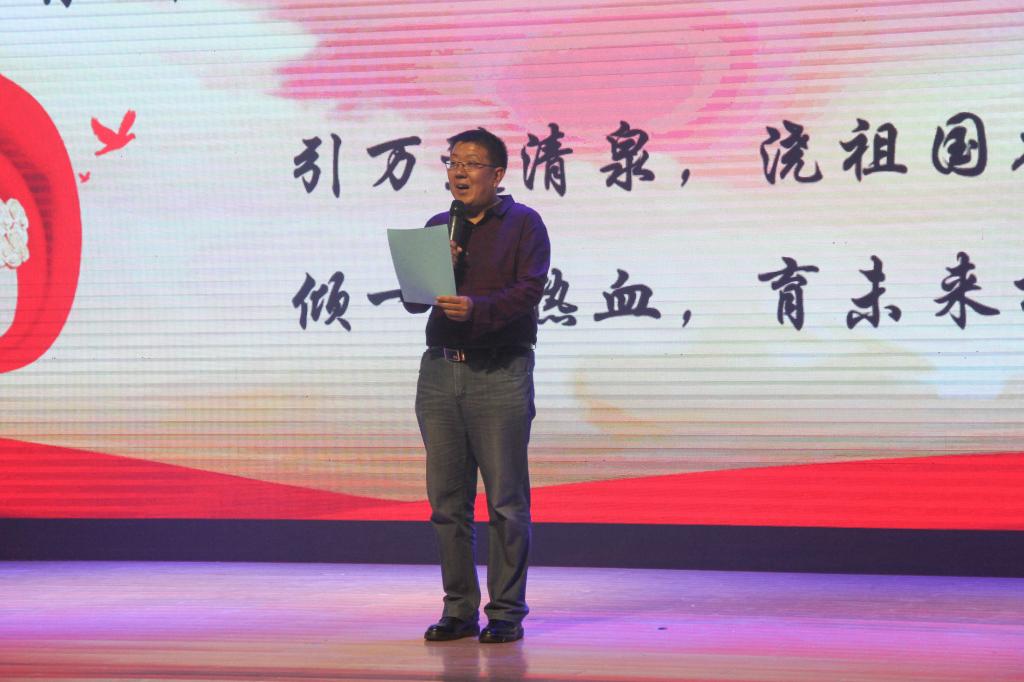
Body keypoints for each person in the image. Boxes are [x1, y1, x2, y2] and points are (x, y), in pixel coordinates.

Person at [412, 128, 550, 644]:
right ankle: (459, 611)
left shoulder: (524, 223)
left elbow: (529, 290)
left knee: (506, 503)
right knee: (447, 503)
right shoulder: (437, 225)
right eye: (453, 162)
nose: (459, 172)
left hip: (500, 372)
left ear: (497, 174)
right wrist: (436, 271)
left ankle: (507, 612)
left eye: (471, 163)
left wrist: (477, 308)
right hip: (440, 372)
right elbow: (413, 300)